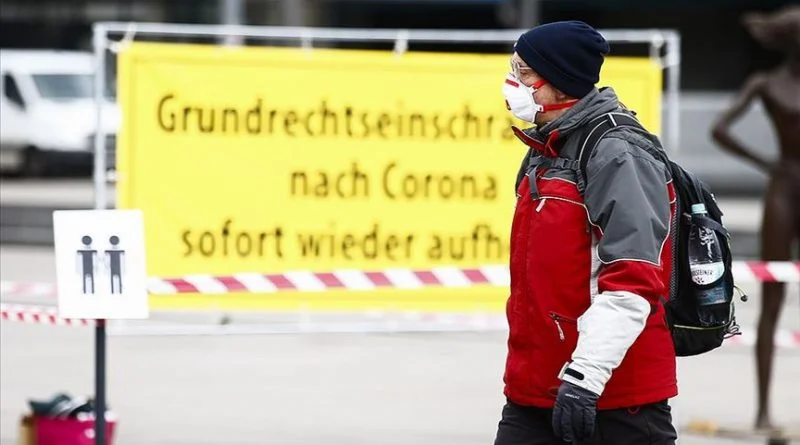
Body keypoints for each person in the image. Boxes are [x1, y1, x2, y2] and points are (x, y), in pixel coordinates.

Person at [494, 20, 679, 444]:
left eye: (523, 71)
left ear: (558, 82)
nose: (511, 81)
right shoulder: (546, 146)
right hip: (535, 390)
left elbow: (634, 277)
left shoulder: (619, 153)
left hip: (613, 399)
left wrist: (585, 377)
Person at [710, 5, 800, 430]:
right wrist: (766, 163)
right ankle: (763, 409)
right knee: (772, 297)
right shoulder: (766, 83)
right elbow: (720, 129)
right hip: (783, 190)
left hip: (786, 183)